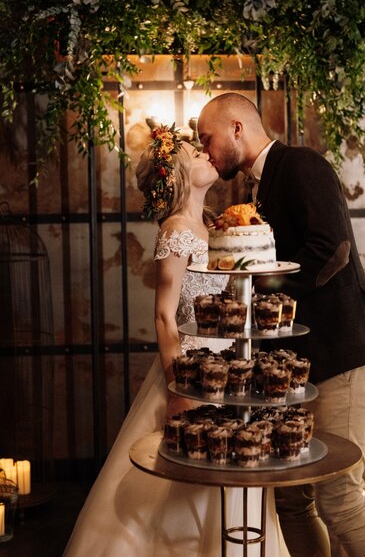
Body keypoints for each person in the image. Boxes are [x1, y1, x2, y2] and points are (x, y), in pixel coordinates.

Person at [63, 125, 288, 557]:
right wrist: (178, 388)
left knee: (234, 470)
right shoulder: (176, 229)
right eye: (196, 152)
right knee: (185, 486)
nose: (207, 154)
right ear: (177, 173)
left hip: (233, 367)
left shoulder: (210, 225)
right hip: (191, 370)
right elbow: (165, 317)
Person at [197, 92, 365, 557]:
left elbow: (333, 250)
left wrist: (263, 297)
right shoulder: (255, 189)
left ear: (237, 128)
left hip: (342, 355)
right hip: (300, 368)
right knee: (290, 500)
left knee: (340, 500)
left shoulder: (302, 164)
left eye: (208, 138)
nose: (205, 150)